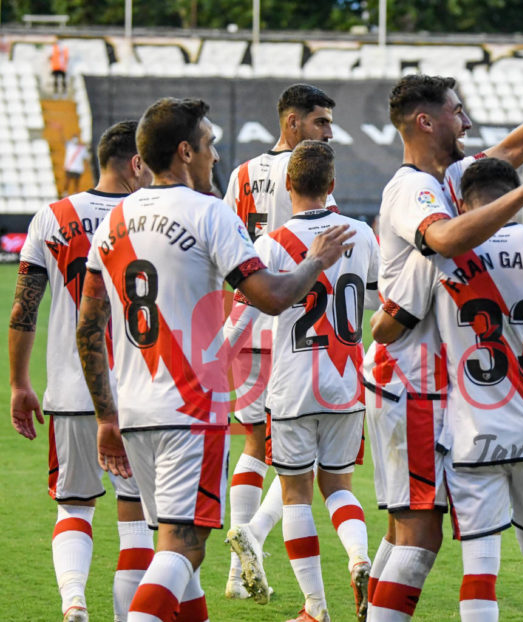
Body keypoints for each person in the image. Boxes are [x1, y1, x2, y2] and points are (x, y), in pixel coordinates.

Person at [75, 97, 355, 621]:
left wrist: (106, 415)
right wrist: (316, 260)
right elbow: (270, 295)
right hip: (190, 409)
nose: (215, 157)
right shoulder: (209, 213)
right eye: (210, 145)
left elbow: (88, 327)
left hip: (133, 407)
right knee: (185, 547)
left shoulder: (113, 221)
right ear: (186, 151)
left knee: (176, 549)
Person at [364, 29, 523, 622]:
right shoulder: (414, 191)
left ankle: (370, 600)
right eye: (455, 112)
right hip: (412, 381)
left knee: (413, 527)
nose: (465, 121)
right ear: (424, 121)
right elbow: (443, 239)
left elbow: (508, 156)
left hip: (449, 384)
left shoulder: (448, 178)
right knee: (421, 533)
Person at [226, 140, 380, 622]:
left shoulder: (270, 243)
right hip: (346, 383)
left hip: (291, 386)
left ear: (288, 185)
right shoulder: (360, 235)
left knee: (296, 495)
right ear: (332, 186)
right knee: (338, 487)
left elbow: (244, 317)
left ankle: (315, 607)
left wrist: (213, 355)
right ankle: (358, 557)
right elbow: (379, 305)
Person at [10, 121, 151, 622]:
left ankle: (73, 602)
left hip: (72, 392)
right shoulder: (149, 217)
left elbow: (24, 309)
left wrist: (19, 383)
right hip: (139, 394)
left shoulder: (51, 217)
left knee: (74, 506)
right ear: (136, 162)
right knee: (136, 516)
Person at [221, 82, 338, 602]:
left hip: (248, 318)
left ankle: (235, 567)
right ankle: (256, 535)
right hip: (299, 330)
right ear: (292, 122)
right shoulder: (313, 175)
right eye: (320, 123)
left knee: (252, 442)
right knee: (302, 456)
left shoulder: (243, 174)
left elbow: (226, 244)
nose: (327, 132)